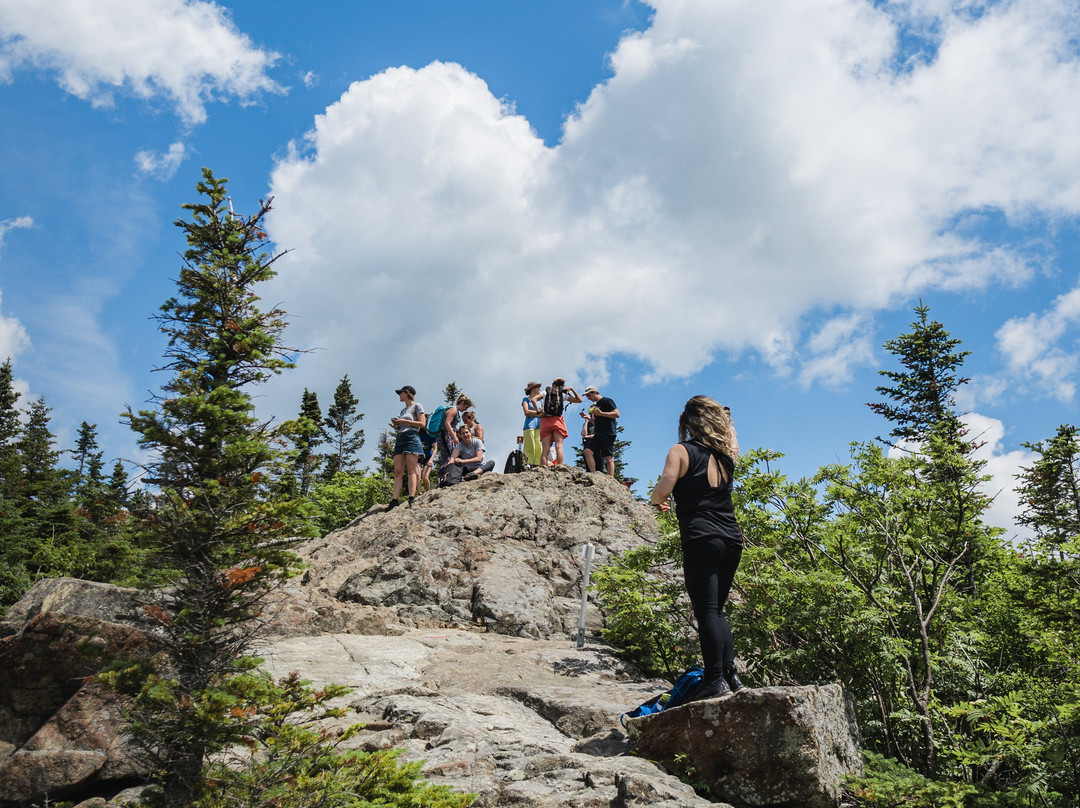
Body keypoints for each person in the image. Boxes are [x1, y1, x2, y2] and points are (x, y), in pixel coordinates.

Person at [649, 396, 745, 701]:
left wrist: (657, 500)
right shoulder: (726, 457)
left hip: (702, 538)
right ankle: (729, 675)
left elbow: (665, 486)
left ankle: (714, 679)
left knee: (706, 611)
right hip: (731, 539)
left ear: (687, 423)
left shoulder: (680, 451)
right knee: (718, 610)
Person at [389, 385, 426, 509]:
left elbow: (422, 424)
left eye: (401, 393)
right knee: (398, 471)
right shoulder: (403, 411)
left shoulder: (417, 406)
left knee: (411, 470)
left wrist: (403, 421)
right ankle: (394, 500)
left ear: (407, 393)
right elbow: (402, 426)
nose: (399, 395)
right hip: (401, 438)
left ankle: (411, 498)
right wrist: (397, 424)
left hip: (412, 437)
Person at [539, 377, 582, 467]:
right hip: (557, 421)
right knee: (559, 447)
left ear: (553, 384)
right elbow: (579, 400)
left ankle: (542, 468)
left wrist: (538, 411)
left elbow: (533, 399)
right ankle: (560, 467)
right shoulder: (562, 395)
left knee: (545, 449)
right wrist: (572, 389)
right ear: (562, 386)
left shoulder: (545, 392)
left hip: (545, 421)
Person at [583, 386, 619, 476]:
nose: (588, 398)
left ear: (594, 392)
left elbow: (616, 414)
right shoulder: (597, 405)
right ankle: (594, 475)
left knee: (608, 457)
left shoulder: (607, 401)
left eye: (588, 395)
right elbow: (596, 422)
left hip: (608, 433)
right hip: (598, 434)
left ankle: (611, 478)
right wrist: (588, 418)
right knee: (587, 451)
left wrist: (601, 413)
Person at [521, 382, 543, 467]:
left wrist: (534, 413)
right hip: (529, 426)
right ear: (533, 389)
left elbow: (542, 412)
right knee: (529, 446)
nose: (539, 390)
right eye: (538, 388)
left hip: (539, 426)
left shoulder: (541, 400)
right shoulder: (525, 399)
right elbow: (526, 412)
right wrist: (538, 412)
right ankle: (526, 464)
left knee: (538, 446)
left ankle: (537, 464)